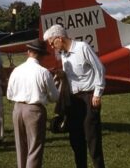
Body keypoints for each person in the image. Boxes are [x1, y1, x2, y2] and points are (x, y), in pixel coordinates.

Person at [44, 24, 106, 168]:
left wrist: (97, 94)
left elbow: (100, 69)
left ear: (59, 38)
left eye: (52, 43)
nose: (52, 47)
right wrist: (61, 75)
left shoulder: (82, 47)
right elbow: (71, 76)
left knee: (92, 138)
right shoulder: (64, 55)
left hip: (88, 97)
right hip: (73, 100)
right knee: (75, 139)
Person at [6, 39, 59, 168]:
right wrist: (56, 83)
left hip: (18, 108)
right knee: (35, 147)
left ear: (28, 52)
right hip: (34, 110)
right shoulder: (43, 72)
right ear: (41, 55)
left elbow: (9, 94)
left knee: (21, 146)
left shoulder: (17, 70)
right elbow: (54, 97)